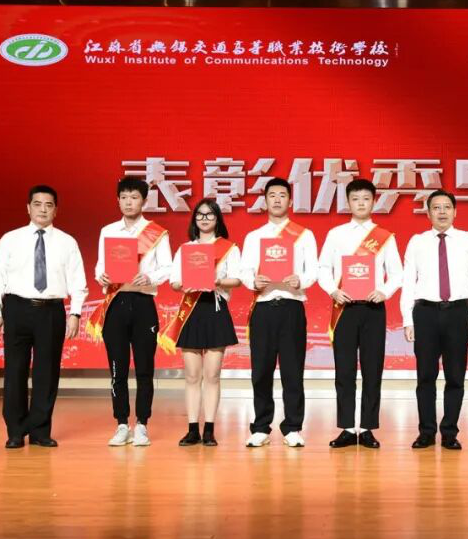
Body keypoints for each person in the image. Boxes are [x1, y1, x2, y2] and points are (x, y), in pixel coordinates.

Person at [0, 186, 87, 448]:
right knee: (15, 371)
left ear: (56, 210)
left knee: (47, 372)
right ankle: (15, 431)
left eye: (49, 205)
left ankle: (40, 431)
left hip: (51, 310)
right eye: (38, 204)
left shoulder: (67, 242)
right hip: (17, 308)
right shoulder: (10, 239)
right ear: (28, 207)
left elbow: (78, 280)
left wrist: (75, 312)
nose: (43, 209)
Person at [317, 178, 402, 449]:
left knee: (372, 369)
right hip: (344, 307)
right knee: (344, 370)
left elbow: (397, 273)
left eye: (366, 199)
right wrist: (333, 290)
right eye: (355, 199)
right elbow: (323, 268)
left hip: (373, 308)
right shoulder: (336, 234)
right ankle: (346, 427)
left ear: (374, 201)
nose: (361, 203)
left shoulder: (384, 236)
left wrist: (384, 291)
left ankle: (366, 428)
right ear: (348, 202)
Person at [88, 177, 172, 448]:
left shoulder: (157, 233)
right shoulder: (108, 231)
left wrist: (150, 278)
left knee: (145, 368)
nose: (128, 202)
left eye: (134, 197)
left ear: (144, 201)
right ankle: (121, 423)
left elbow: (168, 268)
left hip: (143, 303)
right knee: (118, 368)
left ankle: (142, 424)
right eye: (123, 197)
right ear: (118, 200)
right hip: (116, 303)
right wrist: (100, 275)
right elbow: (100, 264)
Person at [400, 189, 468, 450]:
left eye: (447, 207)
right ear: (428, 213)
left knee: (455, 376)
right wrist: (407, 319)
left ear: (455, 211)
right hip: (425, 313)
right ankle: (426, 432)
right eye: (436, 208)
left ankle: (449, 432)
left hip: (459, 313)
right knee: (425, 376)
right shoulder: (417, 242)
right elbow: (408, 281)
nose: (442, 212)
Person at [239, 177, 319, 448]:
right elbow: (244, 270)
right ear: (265, 200)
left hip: (291, 306)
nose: (277, 199)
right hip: (263, 307)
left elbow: (313, 270)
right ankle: (261, 427)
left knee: (292, 370)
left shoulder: (304, 235)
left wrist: (301, 280)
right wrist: (253, 281)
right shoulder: (254, 237)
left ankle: (293, 427)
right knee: (261, 370)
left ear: (290, 201)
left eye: (282, 195)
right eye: (272, 195)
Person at [160, 198, 242, 447]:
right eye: (200, 215)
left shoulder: (229, 248)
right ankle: (192, 429)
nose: (204, 219)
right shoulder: (185, 249)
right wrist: (184, 283)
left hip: (215, 309)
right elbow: (174, 282)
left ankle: (209, 429)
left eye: (210, 215)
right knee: (192, 376)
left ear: (218, 219)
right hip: (192, 311)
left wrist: (216, 280)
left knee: (212, 375)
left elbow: (237, 279)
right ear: (194, 219)